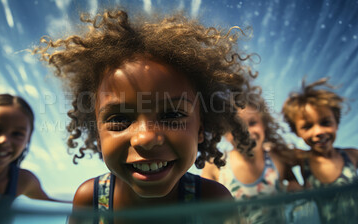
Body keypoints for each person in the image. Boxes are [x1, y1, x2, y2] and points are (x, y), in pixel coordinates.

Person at [34, 9, 256, 219]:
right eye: (119, 119)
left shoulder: (212, 201)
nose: (146, 138)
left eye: (172, 115)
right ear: (97, 134)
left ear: (201, 128)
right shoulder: (90, 200)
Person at [202, 88, 300, 223]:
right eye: (237, 127)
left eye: (253, 123)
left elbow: (295, 176)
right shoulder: (215, 165)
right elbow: (201, 207)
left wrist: (294, 184)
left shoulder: (277, 158)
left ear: (264, 124)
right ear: (225, 133)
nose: (246, 132)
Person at [282, 77, 358, 222]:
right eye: (307, 126)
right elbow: (275, 157)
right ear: (297, 131)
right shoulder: (302, 158)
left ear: (336, 123)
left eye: (325, 122)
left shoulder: (352, 155)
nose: (318, 131)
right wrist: (291, 179)